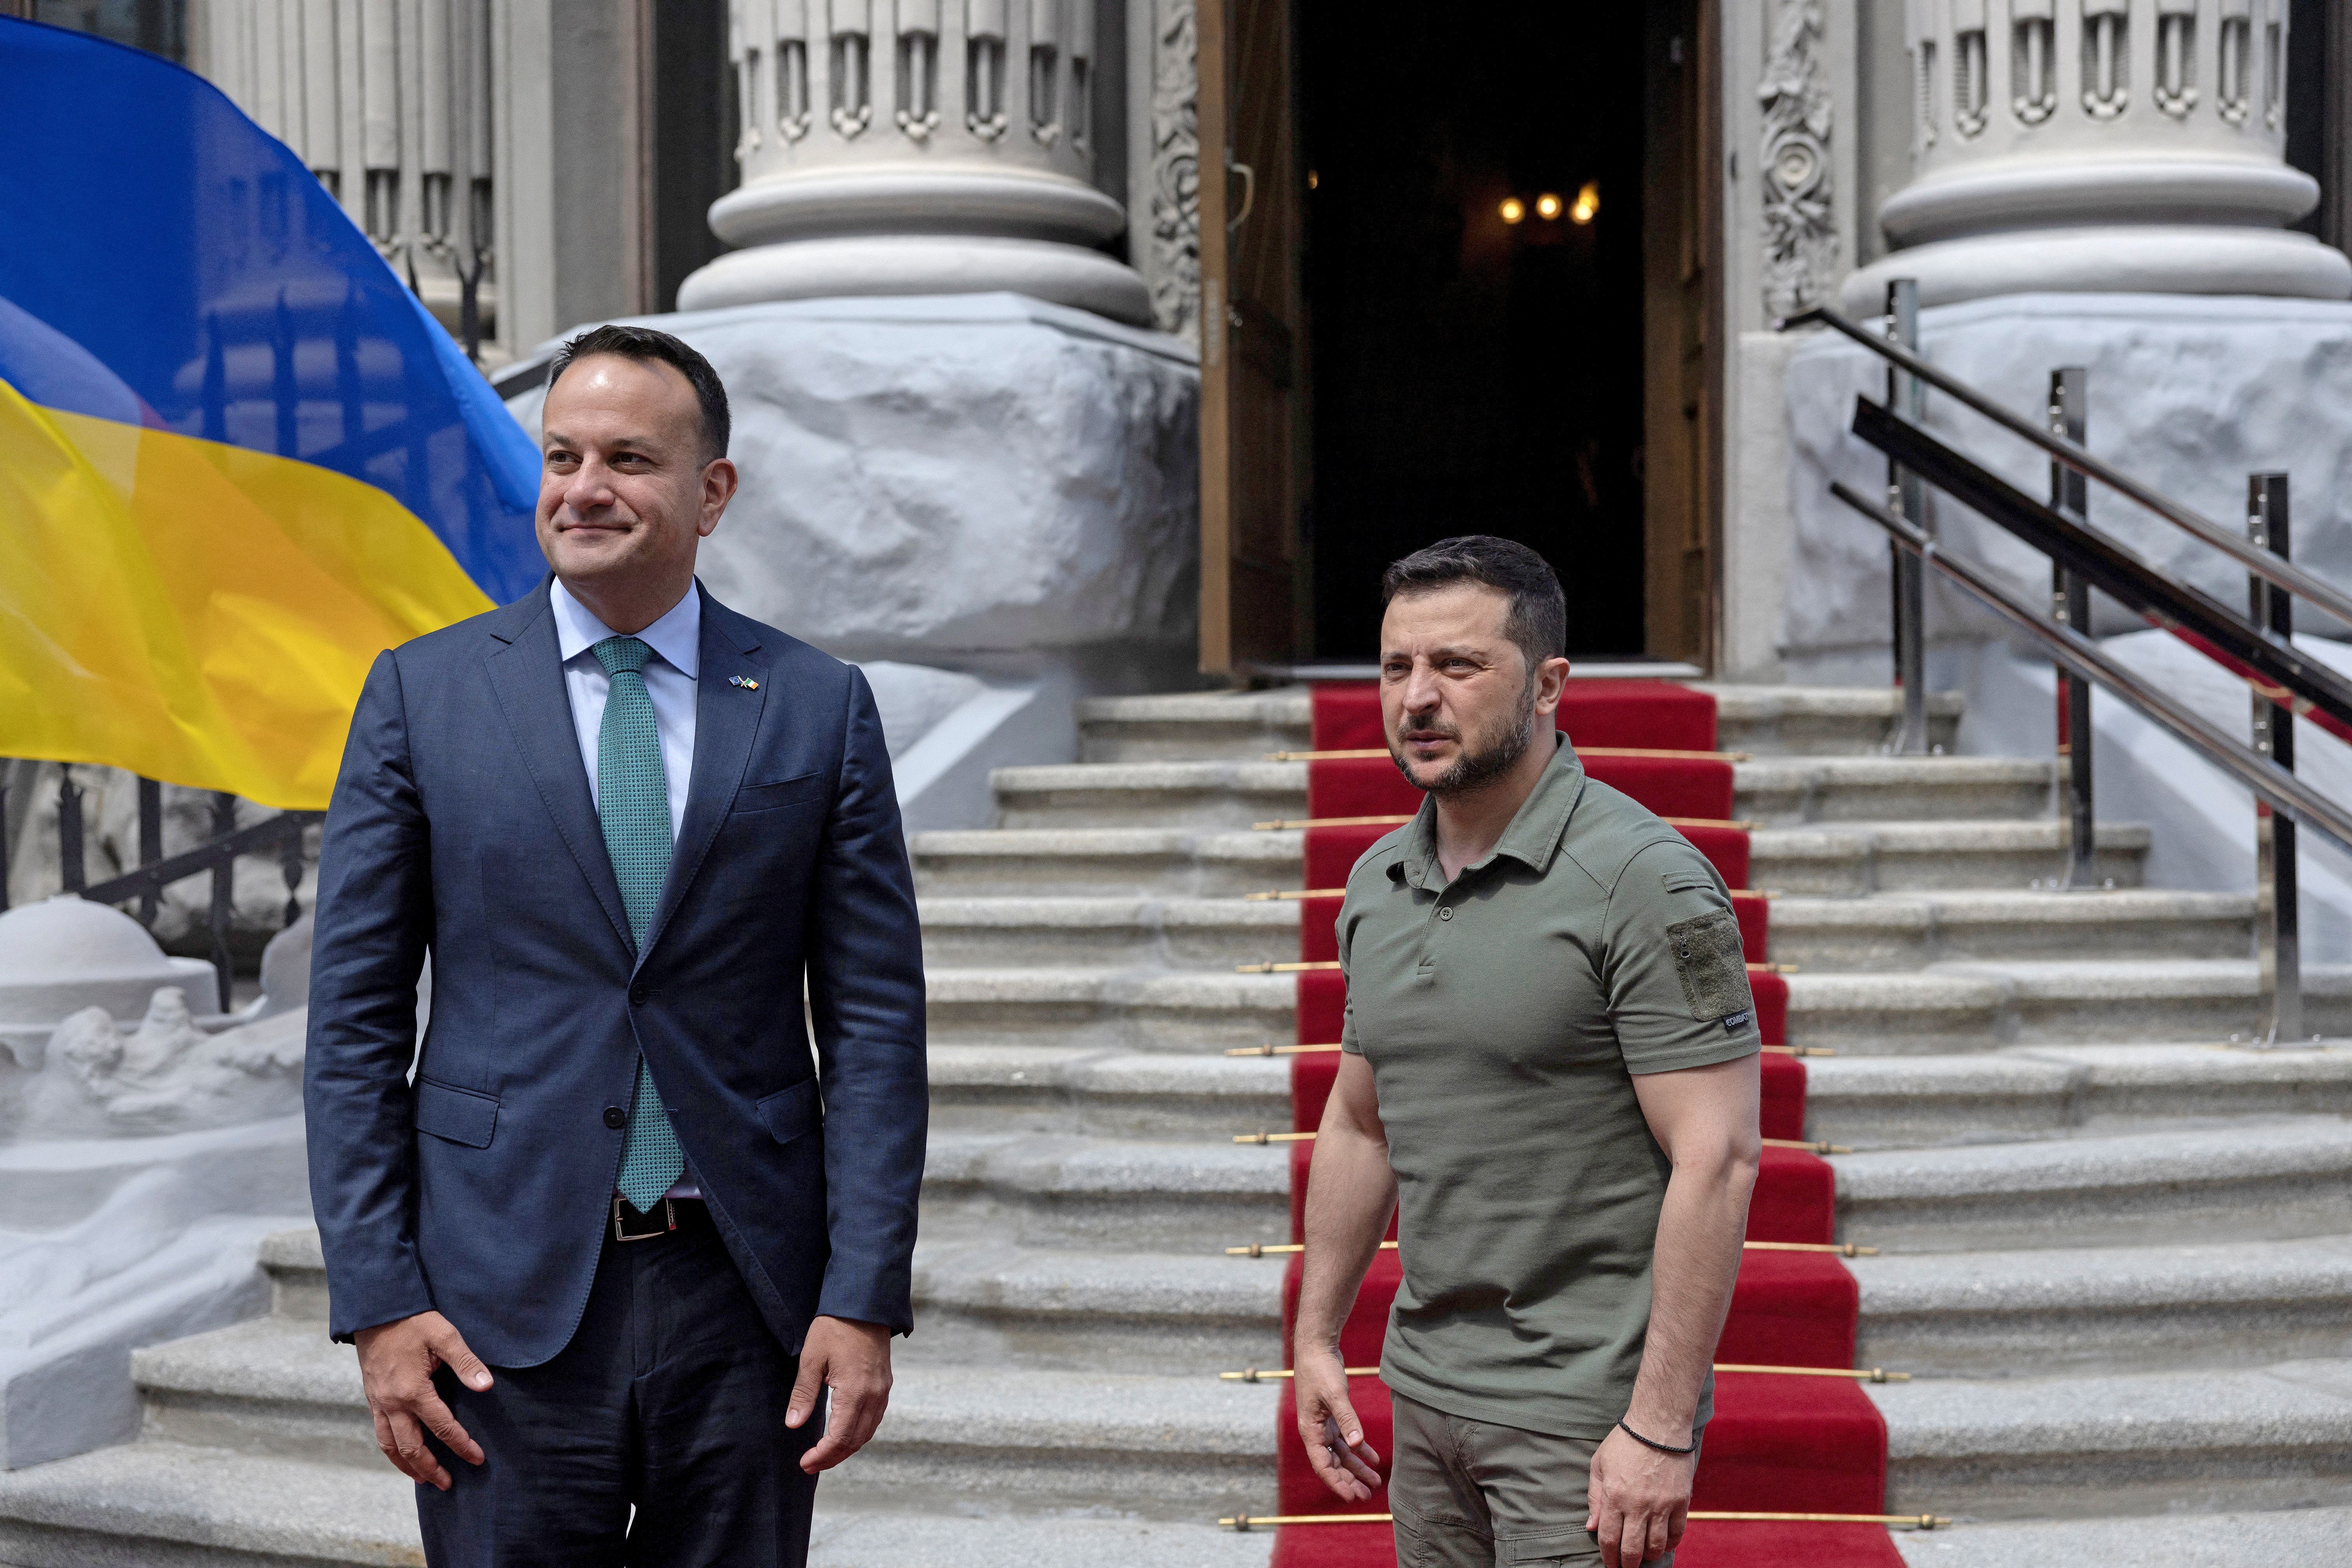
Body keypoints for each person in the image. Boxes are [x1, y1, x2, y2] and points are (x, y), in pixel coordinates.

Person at [303, 323, 928, 1566]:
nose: (583, 489)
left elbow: (872, 1028)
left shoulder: (815, 703)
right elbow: (354, 1026)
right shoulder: (422, 696)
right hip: (496, 1299)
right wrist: (381, 1303)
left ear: (712, 493)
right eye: (562, 456)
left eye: (629, 459)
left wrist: (862, 1296)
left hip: (747, 1301)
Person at [1292, 536, 1761, 1568]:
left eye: (1458, 666)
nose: (1418, 697)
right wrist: (1320, 1336)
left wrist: (1659, 1426)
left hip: (1579, 1426)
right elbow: (1361, 1121)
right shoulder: (1376, 881)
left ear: (1549, 684)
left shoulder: (1648, 880)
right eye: (1396, 667)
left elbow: (1718, 1157)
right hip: (1425, 1398)